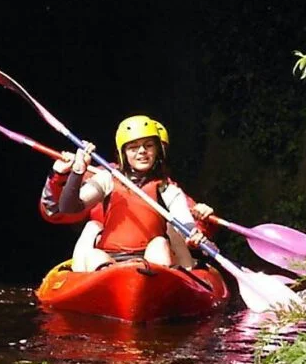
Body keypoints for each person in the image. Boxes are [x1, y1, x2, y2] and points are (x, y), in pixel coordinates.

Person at [52, 115, 207, 272]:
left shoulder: (166, 188)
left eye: (148, 146)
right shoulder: (107, 179)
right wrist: (78, 171)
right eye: (133, 147)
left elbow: (184, 221)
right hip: (110, 259)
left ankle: (156, 282)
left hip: (150, 260)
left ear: (157, 150)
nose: (142, 152)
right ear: (123, 153)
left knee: (160, 244)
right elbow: (68, 208)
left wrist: (192, 235)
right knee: (93, 256)